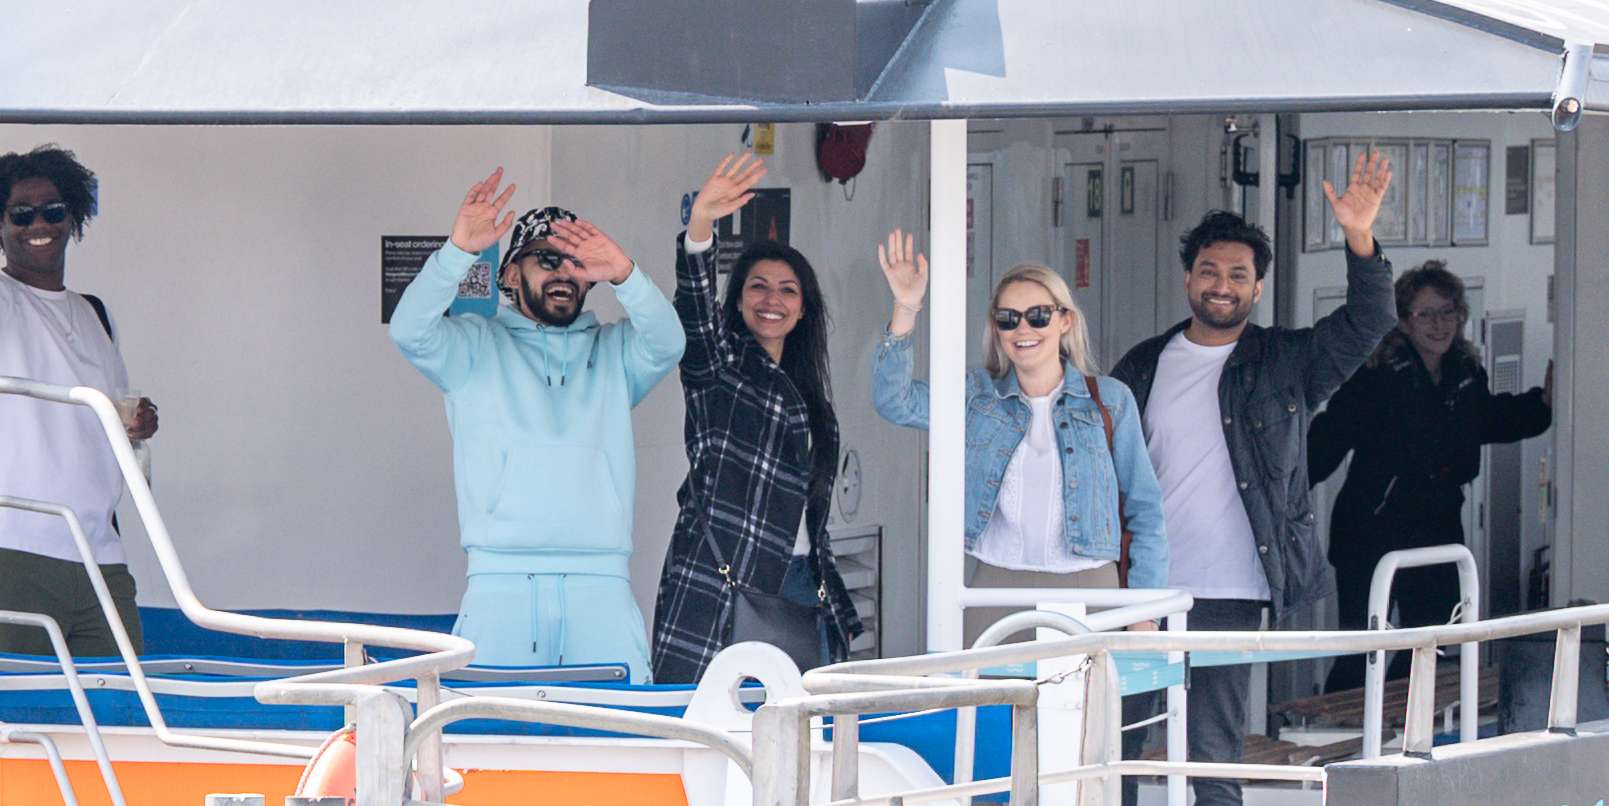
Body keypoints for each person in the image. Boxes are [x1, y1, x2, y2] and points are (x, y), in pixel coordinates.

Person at [1107, 150, 1398, 806]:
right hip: (1142, 596)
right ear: (1187, 280)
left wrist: (1359, 237)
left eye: (1237, 274)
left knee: (1213, 760)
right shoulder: (1144, 365)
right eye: (1209, 270)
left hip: (1229, 591)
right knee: (1114, 750)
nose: (1221, 284)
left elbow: (1369, 322)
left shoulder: (1288, 362)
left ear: (1257, 289)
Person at [390, 169, 687, 666]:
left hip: (602, 585)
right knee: (488, 739)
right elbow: (410, 332)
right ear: (509, 274)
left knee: (617, 739)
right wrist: (457, 253)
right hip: (499, 583)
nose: (565, 273)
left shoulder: (614, 352)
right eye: (547, 259)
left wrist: (624, 274)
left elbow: (668, 342)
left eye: (578, 263)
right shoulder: (474, 347)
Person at [0, 123, 160, 667]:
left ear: (73, 218)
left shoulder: (94, 313)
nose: (40, 224)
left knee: (122, 715)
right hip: (8, 547)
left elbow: (105, 418)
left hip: (98, 551)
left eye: (54, 212)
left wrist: (136, 425)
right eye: (21, 214)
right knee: (13, 720)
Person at [648, 141, 865, 679]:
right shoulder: (717, 365)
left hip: (797, 579)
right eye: (758, 287)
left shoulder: (808, 390)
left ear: (803, 308)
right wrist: (701, 225)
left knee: (796, 738)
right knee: (705, 731)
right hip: (723, 579)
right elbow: (695, 313)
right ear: (739, 299)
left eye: (788, 290)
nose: (773, 299)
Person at [871, 244, 1165, 637]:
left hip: (1089, 588)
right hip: (996, 587)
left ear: (1065, 322)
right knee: (989, 698)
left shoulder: (1110, 400)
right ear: (996, 329)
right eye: (1008, 319)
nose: (1023, 329)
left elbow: (1145, 512)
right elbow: (896, 402)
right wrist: (905, 307)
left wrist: (1145, 611)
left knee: (1083, 700)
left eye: (1038, 316)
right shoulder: (977, 396)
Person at [1308, 259, 1556, 657]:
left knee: (1430, 647)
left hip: (1436, 528)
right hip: (1373, 529)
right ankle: (1354, 718)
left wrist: (1540, 405)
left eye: (1448, 313)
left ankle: (1413, 720)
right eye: (1426, 314)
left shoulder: (1464, 370)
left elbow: (1488, 420)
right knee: (1362, 654)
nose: (1439, 325)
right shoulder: (1374, 375)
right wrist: (1283, 490)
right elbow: (1328, 439)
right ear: (1403, 322)